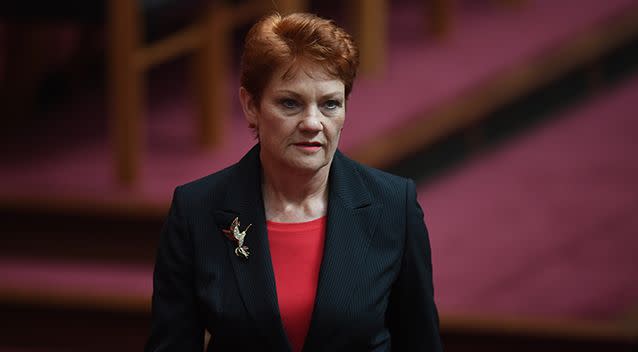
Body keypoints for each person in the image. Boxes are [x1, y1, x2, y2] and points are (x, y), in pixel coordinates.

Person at [145, 12, 442, 352]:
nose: (313, 123)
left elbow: (421, 343)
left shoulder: (393, 206)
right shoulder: (196, 211)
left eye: (330, 104)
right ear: (250, 105)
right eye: (290, 103)